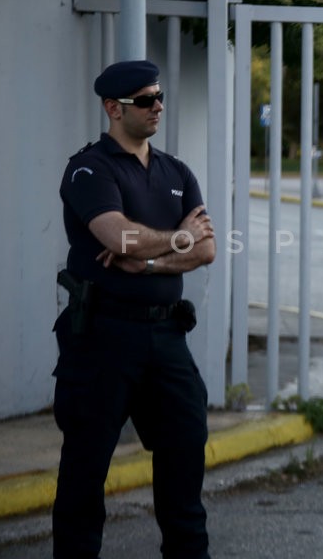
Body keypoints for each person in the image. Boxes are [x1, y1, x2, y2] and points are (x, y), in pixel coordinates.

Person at [53, 60, 216, 558]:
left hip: (167, 338)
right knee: (85, 475)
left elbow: (206, 249)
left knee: (185, 463)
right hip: (102, 338)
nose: (158, 107)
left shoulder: (176, 171)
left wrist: (146, 263)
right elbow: (115, 235)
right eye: (146, 100)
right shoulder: (89, 168)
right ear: (113, 108)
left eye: (159, 97)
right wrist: (178, 239)